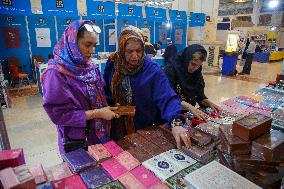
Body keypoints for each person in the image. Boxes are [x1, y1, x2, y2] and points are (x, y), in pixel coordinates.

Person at [103, 26, 190, 149]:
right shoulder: (113, 63)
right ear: (122, 50)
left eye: (139, 51)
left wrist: (175, 122)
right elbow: (105, 90)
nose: (135, 56)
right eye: (129, 51)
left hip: (142, 126)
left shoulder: (151, 70)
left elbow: (167, 96)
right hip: (115, 124)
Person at [41, 20, 119, 154]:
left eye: (94, 45)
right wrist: (97, 113)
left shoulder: (90, 67)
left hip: (98, 135)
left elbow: (99, 95)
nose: (92, 51)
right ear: (72, 42)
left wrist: (110, 103)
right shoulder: (55, 73)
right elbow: (59, 115)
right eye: (87, 45)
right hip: (77, 140)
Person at [164, 44, 222, 121]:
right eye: (193, 64)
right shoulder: (170, 70)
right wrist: (190, 108)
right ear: (186, 59)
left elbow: (199, 96)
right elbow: (170, 98)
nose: (195, 68)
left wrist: (210, 103)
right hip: (170, 114)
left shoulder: (196, 73)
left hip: (187, 113)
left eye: (199, 66)